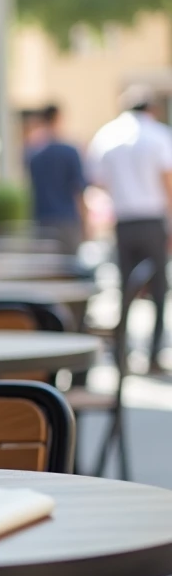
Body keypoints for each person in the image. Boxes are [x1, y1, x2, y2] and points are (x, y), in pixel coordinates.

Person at [87, 84, 172, 371]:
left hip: (123, 222)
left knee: (125, 289)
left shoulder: (107, 135)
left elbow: (97, 181)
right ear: (152, 108)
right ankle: (152, 356)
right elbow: (168, 182)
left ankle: (121, 353)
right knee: (158, 290)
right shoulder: (159, 135)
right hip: (152, 220)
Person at [26, 103, 88, 255]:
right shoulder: (70, 152)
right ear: (58, 118)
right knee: (70, 269)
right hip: (67, 220)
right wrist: (85, 223)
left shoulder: (33, 154)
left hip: (42, 220)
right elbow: (78, 190)